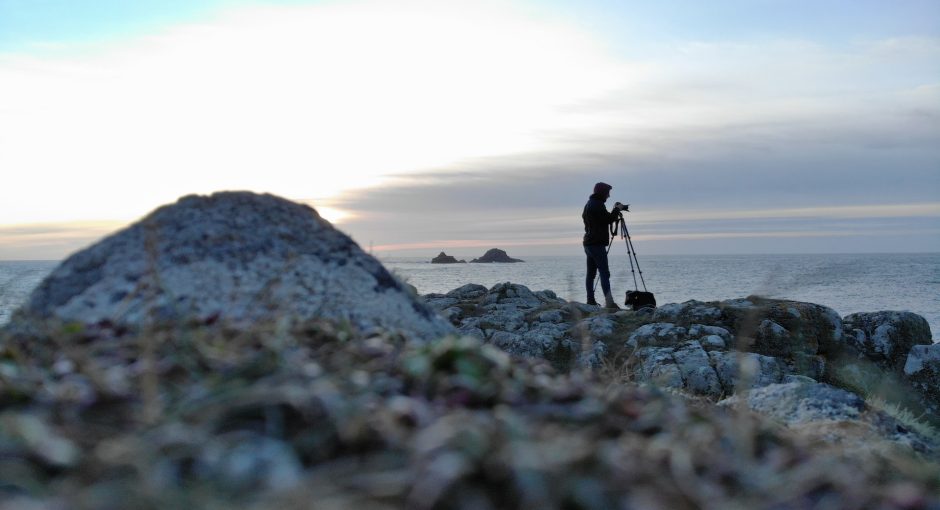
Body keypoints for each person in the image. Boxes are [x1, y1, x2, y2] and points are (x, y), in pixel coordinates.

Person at [582, 182, 627, 308]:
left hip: (588, 243)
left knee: (591, 273)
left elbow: (603, 219)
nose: (609, 196)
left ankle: (590, 300)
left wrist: (615, 210)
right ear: (602, 192)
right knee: (604, 272)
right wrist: (617, 209)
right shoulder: (597, 205)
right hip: (596, 244)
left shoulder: (589, 204)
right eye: (608, 193)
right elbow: (608, 219)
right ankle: (609, 302)